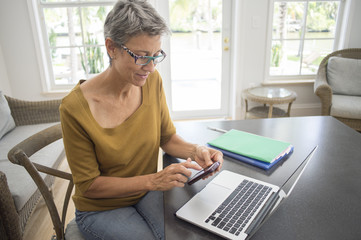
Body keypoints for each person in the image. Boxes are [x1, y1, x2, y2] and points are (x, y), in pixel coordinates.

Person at [59, 0, 223, 239]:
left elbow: (166, 138)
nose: (151, 67)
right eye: (142, 56)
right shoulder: (74, 108)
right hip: (101, 208)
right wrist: (153, 181)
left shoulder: (152, 83)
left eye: (156, 56)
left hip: (147, 192)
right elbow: (89, 185)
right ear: (111, 48)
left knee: (190, 231)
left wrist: (197, 150)